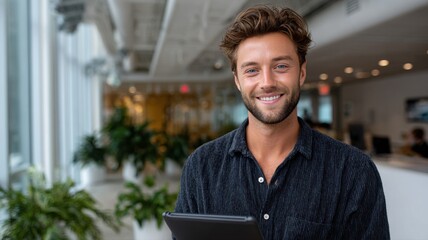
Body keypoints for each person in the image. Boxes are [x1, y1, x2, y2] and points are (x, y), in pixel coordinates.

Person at [174, 5, 390, 239]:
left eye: (281, 66)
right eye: (252, 70)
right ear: (237, 80)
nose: (267, 82)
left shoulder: (353, 172)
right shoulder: (202, 167)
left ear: (302, 73)